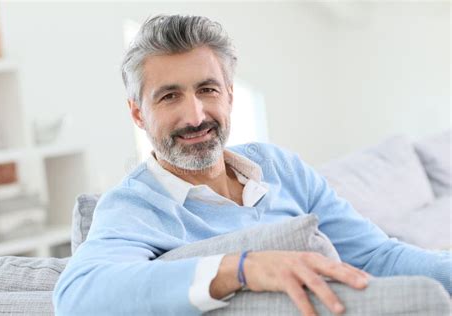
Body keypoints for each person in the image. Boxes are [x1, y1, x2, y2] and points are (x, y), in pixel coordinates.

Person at [53, 14, 451, 316]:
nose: (195, 116)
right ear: (138, 114)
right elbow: (77, 295)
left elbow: (378, 256)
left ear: (228, 95)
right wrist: (242, 268)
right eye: (169, 97)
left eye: (207, 90)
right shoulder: (134, 206)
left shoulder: (279, 166)